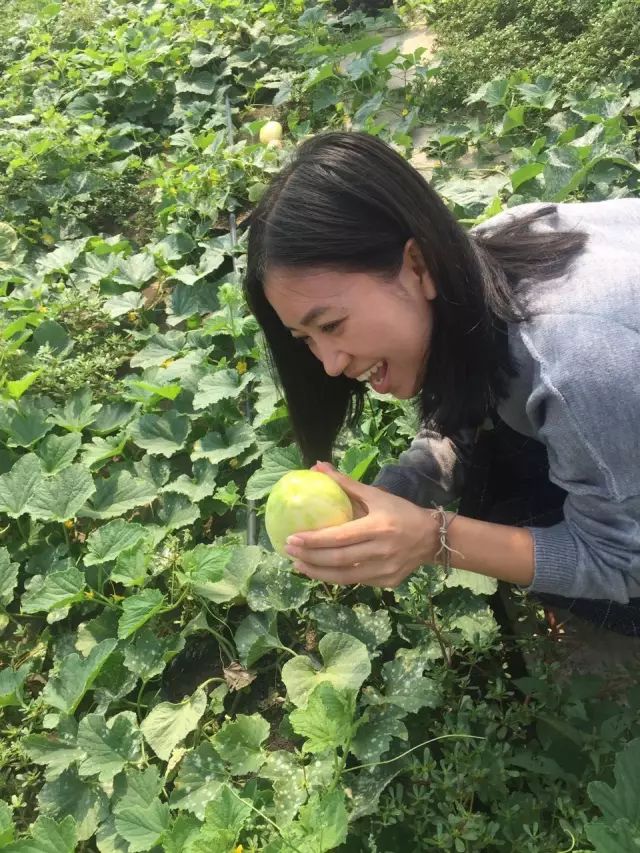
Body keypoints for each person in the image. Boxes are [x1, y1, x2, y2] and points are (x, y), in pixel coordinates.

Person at [243, 130, 640, 637]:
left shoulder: (574, 366)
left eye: (332, 325)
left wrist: (434, 540)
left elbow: (625, 564)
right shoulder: (481, 261)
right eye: (305, 338)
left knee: (509, 516)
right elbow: (465, 399)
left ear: (417, 265)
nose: (329, 363)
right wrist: (400, 491)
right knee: (497, 490)